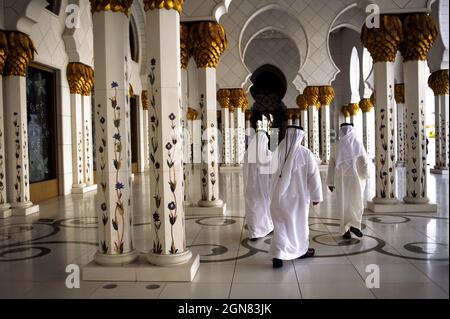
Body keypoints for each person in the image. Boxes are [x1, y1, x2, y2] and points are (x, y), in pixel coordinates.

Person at [269, 126, 323, 268]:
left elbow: (269, 175)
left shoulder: (277, 152)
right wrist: (316, 196)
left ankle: (278, 254)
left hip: (278, 197)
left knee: (280, 226)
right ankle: (300, 251)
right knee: (298, 225)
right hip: (298, 199)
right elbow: (314, 177)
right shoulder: (305, 154)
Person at [327, 123, 370, 240]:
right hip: (356, 179)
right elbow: (364, 161)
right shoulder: (358, 143)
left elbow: (331, 164)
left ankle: (346, 231)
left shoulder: (336, 146)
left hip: (341, 179)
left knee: (343, 203)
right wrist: (365, 175)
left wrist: (330, 182)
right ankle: (355, 224)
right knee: (356, 202)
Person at [243, 128, 274, 241]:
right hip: (264, 188)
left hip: (250, 187)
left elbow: (245, 170)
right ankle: (265, 228)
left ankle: (254, 232)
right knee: (264, 208)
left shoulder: (247, 154)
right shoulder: (268, 155)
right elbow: (272, 173)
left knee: (252, 209)